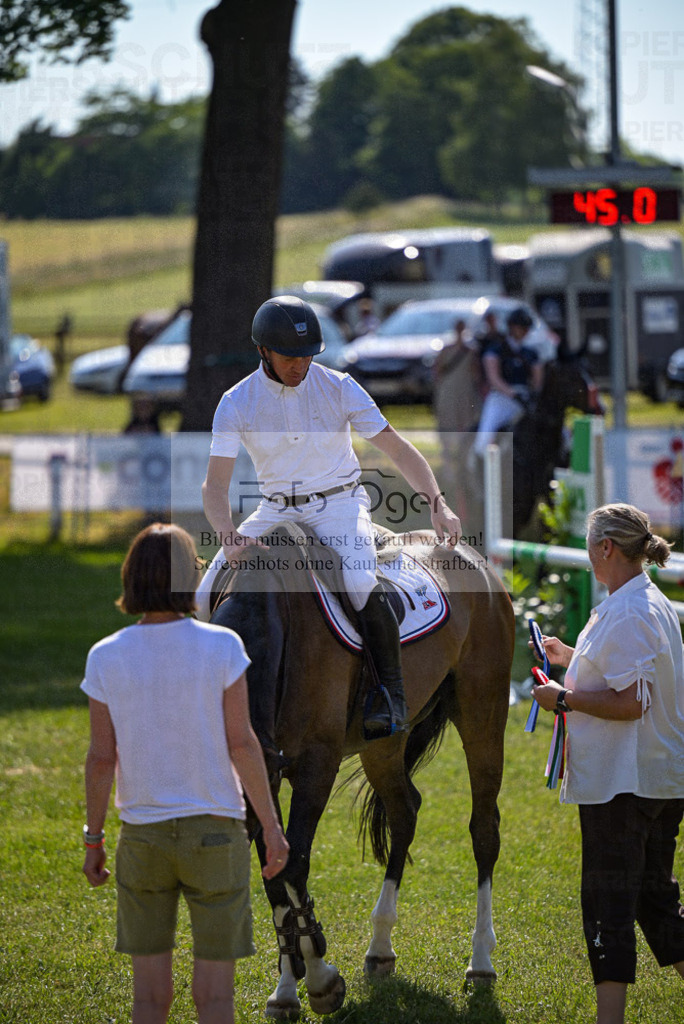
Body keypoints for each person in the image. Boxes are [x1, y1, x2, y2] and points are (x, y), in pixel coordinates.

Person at [197, 295, 462, 740]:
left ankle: (389, 693)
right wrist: (227, 535)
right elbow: (215, 486)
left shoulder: (339, 386)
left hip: (338, 505)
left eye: (306, 355)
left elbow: (396, 448)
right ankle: (204, 698)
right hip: (276, 508)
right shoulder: (236, 401)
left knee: (359, 582)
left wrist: (437, 502)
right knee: (204, 594)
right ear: (263, 350)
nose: (299, 365)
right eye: (289, 356)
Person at [81, 522, 289, 1024]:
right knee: (215, 1001)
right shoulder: (222, 648)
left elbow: (101, 758)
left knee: (148, 1000)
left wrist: (93, 839)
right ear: (188, 579)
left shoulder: (105, 656)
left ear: (130, 579)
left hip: (142, 839)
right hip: (216, 835)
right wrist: (273, 830)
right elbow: (242, 744)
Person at [530, 503, 684, 1024]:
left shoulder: (629, 610)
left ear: (605, 548)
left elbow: (632, 702)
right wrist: (571, 658)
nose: (588, 557)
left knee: (607, 907)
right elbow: (623, 672)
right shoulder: (642, 601)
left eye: (588, 546)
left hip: (624, 784)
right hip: (656, 778)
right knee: (654, 902)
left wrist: (564, 700)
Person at [472, 306, 544, 458]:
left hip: (525, 399)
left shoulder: (531, 353)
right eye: (521, 327)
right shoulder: (496, 350)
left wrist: (533, 394)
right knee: (483, 440)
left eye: (527, 328)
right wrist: (512, 393)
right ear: (512, 327)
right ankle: (477, 469)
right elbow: (494, 378)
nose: (525, 331)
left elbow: (538, 380)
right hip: (501, 398)